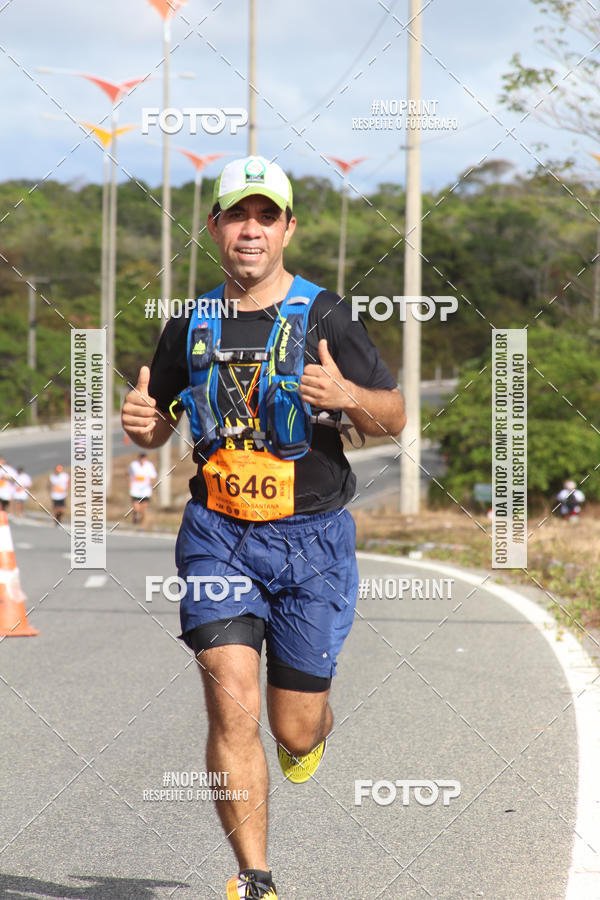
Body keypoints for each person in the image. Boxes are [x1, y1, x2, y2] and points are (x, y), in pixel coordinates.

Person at [121, 155, 406, 900]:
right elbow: (158, 426)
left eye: (266, 217)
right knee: (230, 697)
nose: (251, 230)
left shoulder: (324, 315)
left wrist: (346, 394)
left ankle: (307, 730)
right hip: (219, 532)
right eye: (237, 216)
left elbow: (393, 416)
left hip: (311, 539)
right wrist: (146, 427)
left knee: (294, 728)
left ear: (287, 230)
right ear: (215, 226)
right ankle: (256, 878)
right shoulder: (189, 325)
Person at [128, 452, 157, 527]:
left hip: (145, 490)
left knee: (143, 509)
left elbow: (153, 476)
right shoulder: (133, 465)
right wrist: (129, 483)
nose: (142, 460)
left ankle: (141, 523)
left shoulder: (149, 466)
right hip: (135, 489)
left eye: (144, 458)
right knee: (136, 508)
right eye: (141, 458)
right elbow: (128, 474)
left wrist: (151, 483)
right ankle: (135, 518)